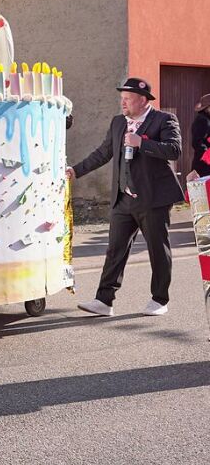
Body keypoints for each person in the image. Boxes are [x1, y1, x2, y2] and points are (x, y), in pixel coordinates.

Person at [68, 77, 184, 317]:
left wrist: (141, 142)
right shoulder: (118, 122)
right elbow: (103, 153)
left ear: (142, 100)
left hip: (154, 198)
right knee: (115, 249)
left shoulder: (164, 120)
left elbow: (174, 150)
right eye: (122, 99)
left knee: (157, 249)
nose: (123, 103)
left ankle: (159, 299)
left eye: (128, 99)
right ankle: (104, 300)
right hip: (124, 198)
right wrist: (76, 171)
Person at [189, 93, 210, 180]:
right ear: (207, 108)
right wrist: (207, 155)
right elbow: (197, 143)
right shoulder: (202, 120)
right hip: (203, 165)